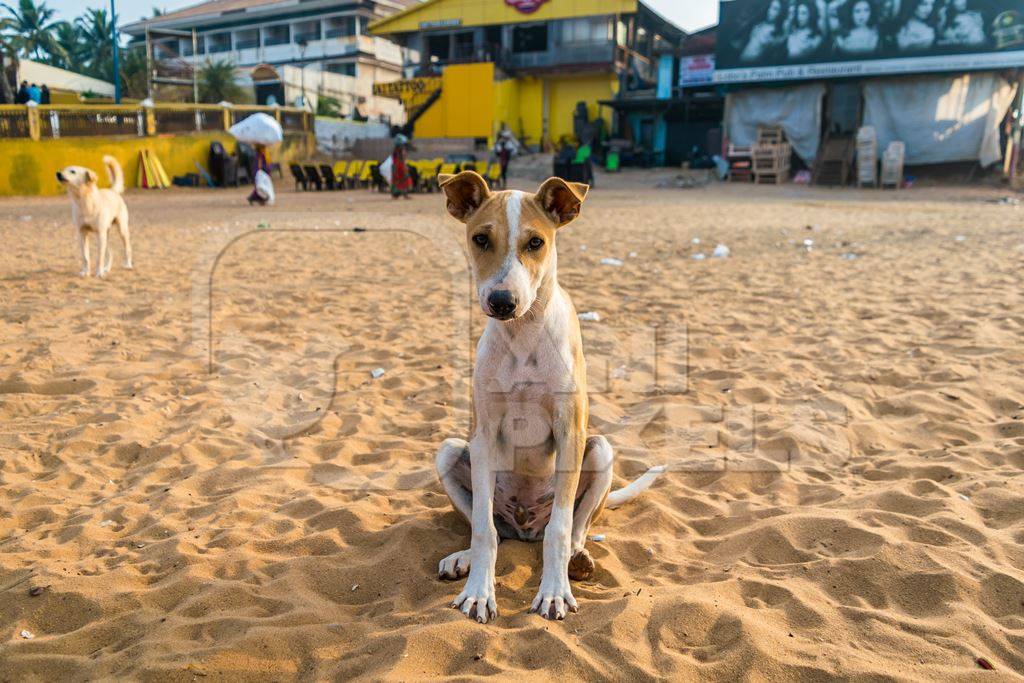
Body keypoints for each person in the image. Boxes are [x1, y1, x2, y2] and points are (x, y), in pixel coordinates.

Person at [389, 134, 413, 200]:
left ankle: (400, 195)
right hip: (398, 167)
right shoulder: (398, 150)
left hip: (398, 167)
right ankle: (399, 195)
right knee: (402, 180)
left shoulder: (397, 150)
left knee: (402, 180)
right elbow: (401, 159)